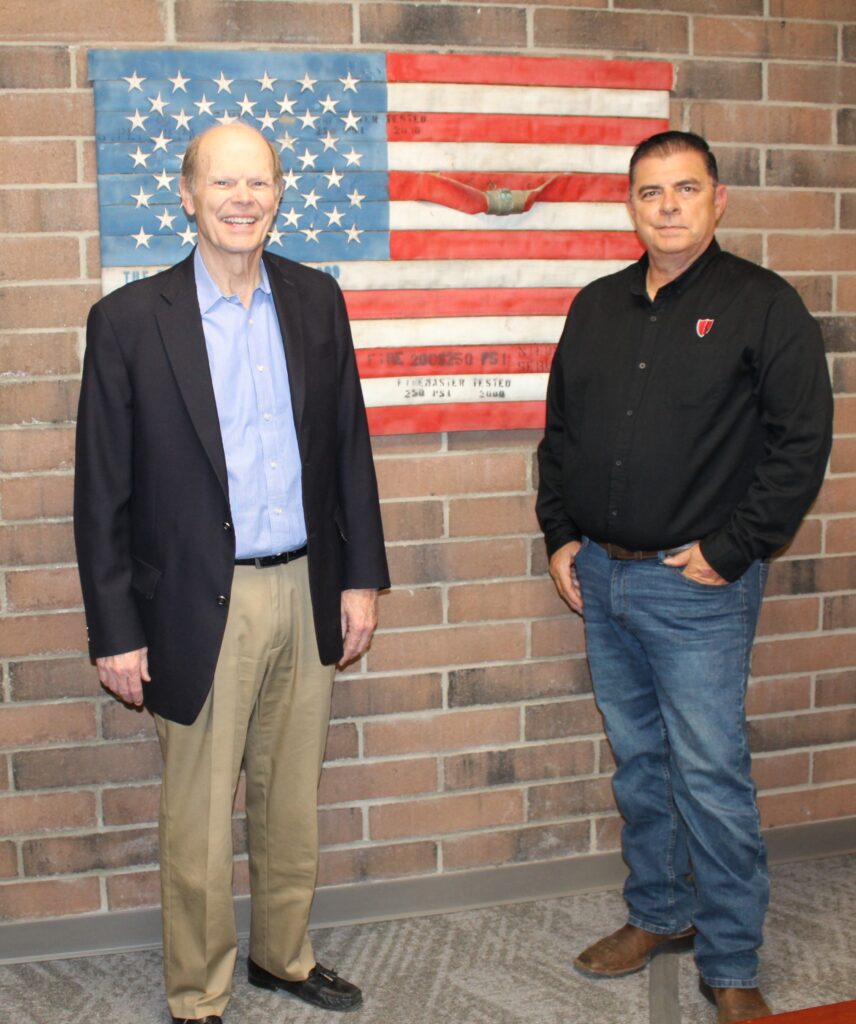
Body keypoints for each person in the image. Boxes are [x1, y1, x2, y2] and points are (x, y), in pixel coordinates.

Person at [74, 122, 389, 1024]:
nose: (243, 198)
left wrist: (358, 579)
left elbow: (348, 452)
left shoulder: (317, 302)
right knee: (201, 820)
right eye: (223, 183)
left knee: (292, 798)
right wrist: (115, 629)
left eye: (259, 182)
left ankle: (284, 956)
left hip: (306, 587)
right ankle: (197, 993)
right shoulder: (130, 322)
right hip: (191, 602)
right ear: (187, 194)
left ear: (280, 192)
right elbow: (100, 491)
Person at [536, 131, 832, 1024]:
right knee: (640, 765)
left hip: (695, 587)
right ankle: (660, 915)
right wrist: (559, 537)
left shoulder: (762, 305)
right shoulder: (595, 307)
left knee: (710, 774)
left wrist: (733, 549)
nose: (667, 206)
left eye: (685, 189)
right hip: (601, 577)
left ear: (717, 200)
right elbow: (559, 435)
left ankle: (732, 960)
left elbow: (800, 444)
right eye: (650, 192)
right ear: (630, 205)